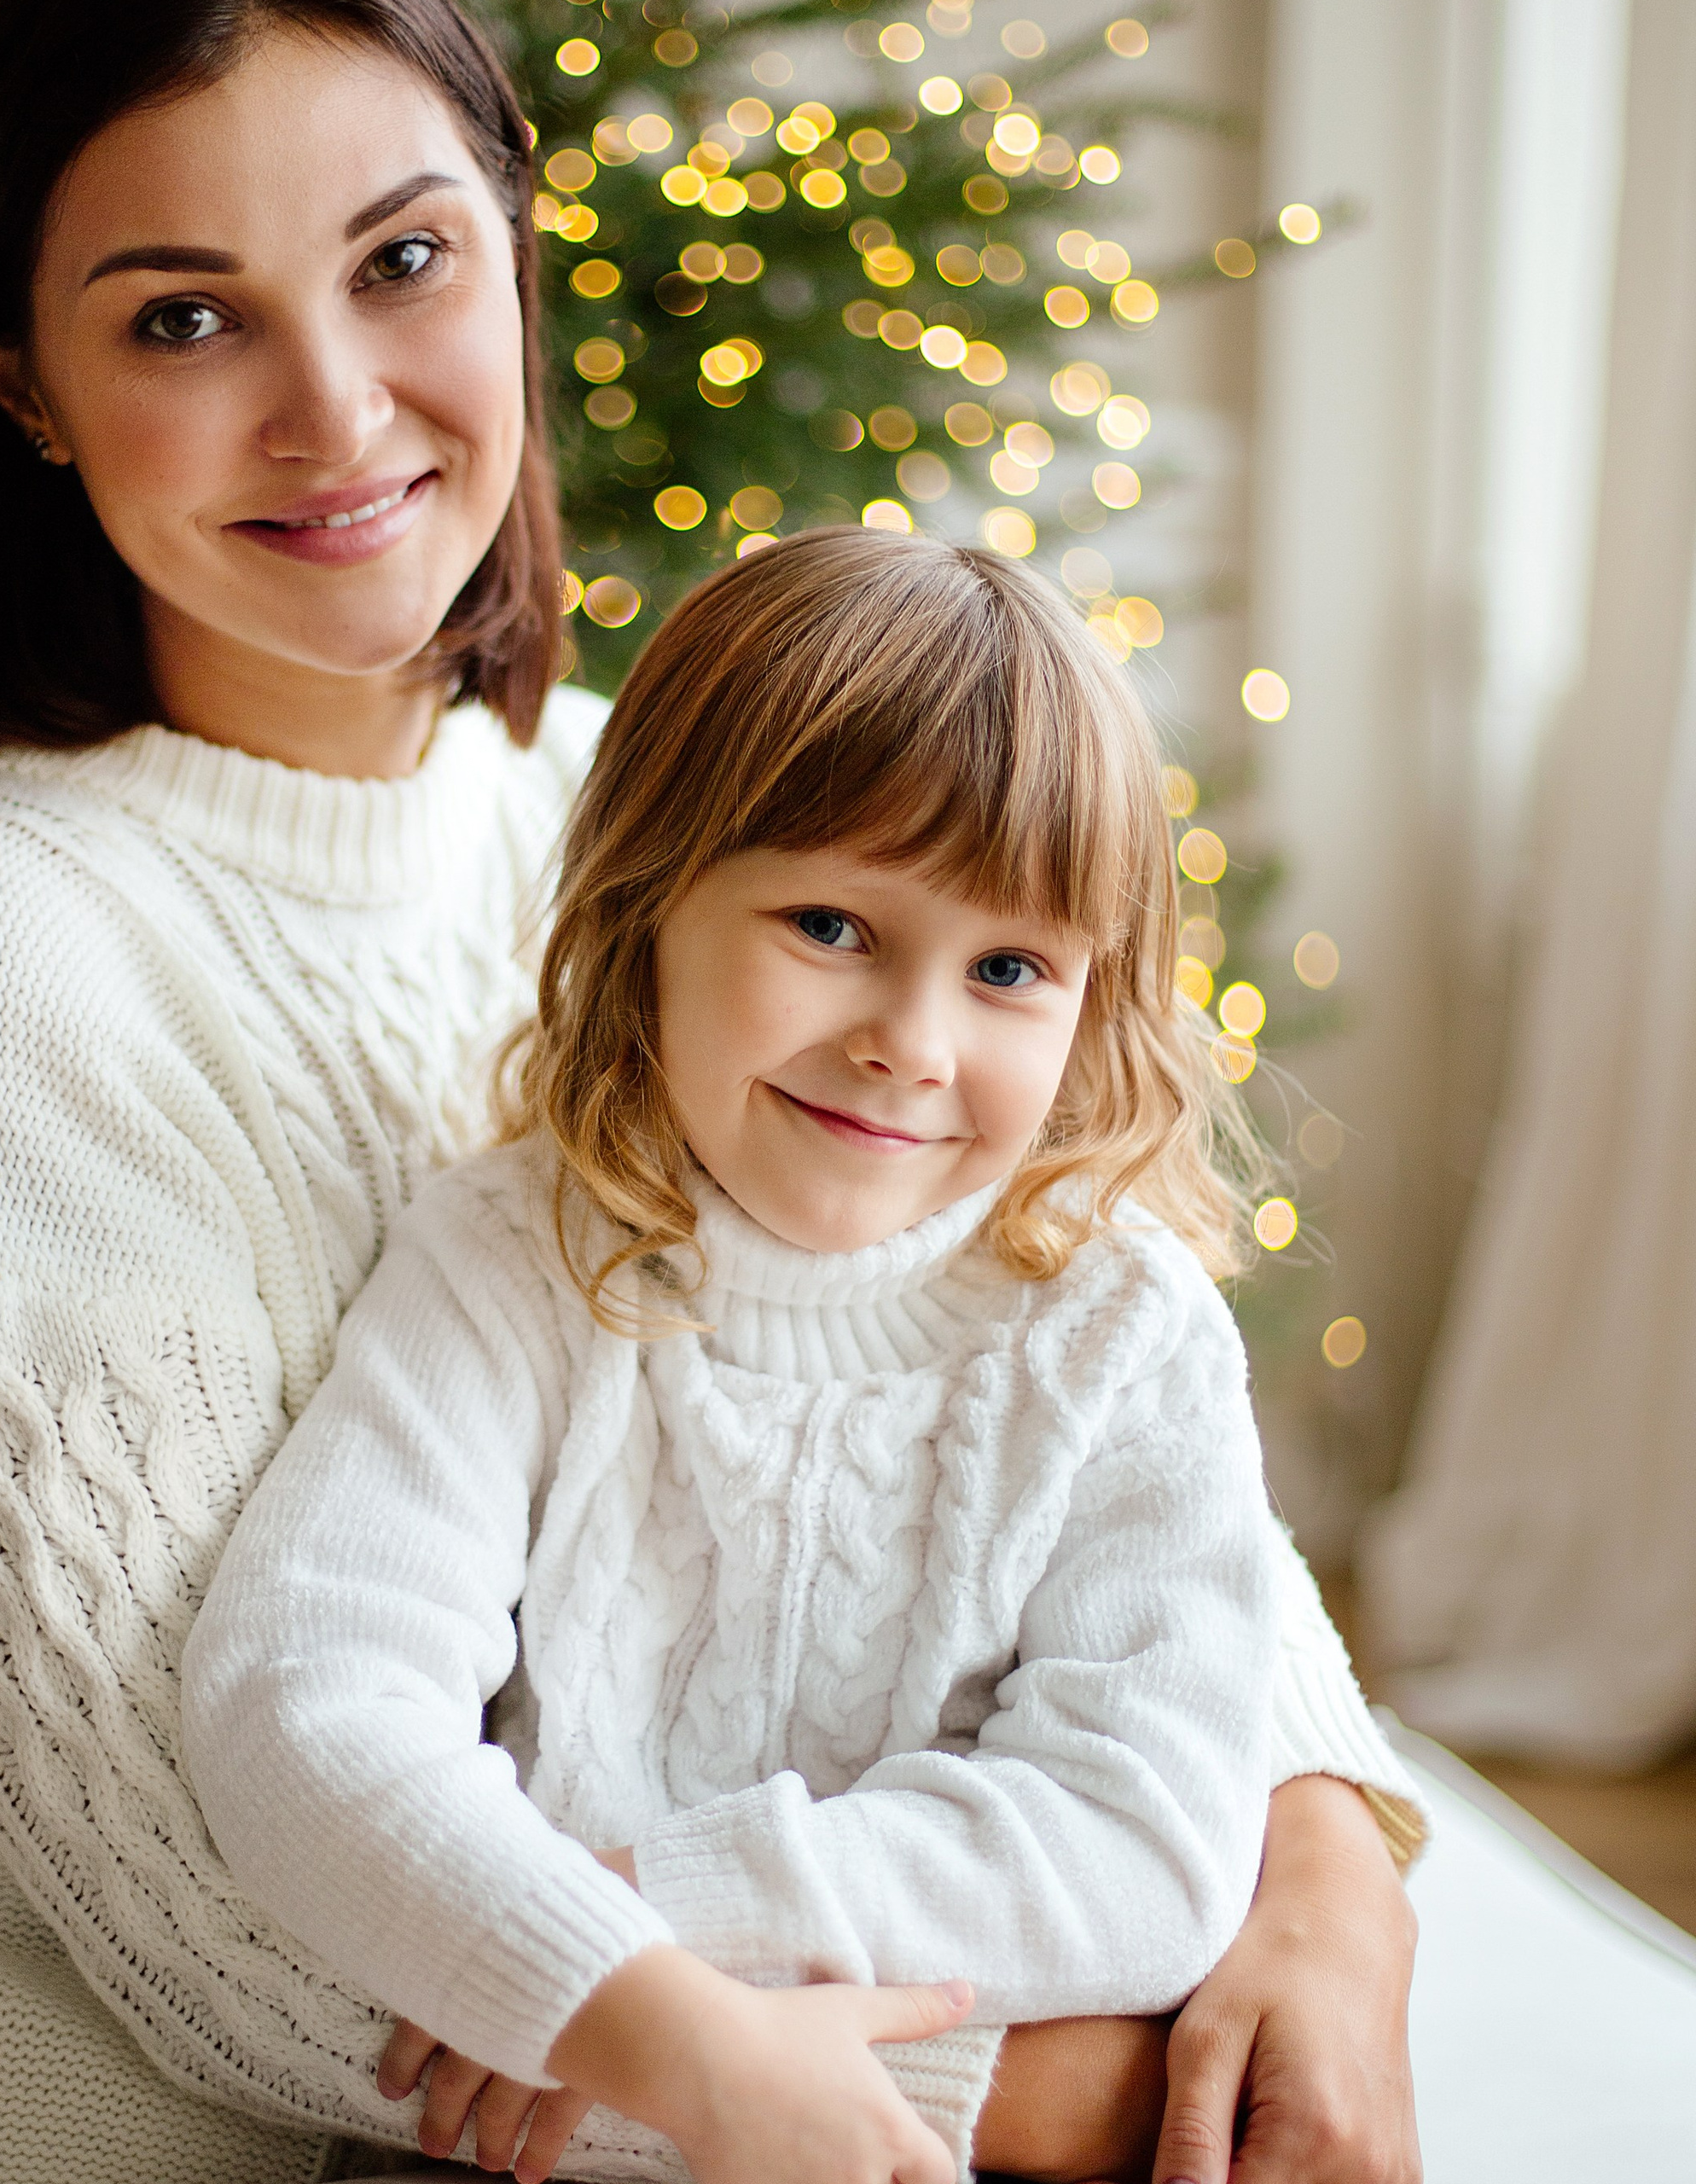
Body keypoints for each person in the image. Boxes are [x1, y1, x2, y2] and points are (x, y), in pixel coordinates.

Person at [0, 1, 1426, 2179]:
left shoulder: (649, 816)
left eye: (402, 261)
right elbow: (223, 1907)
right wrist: (1089, 2084)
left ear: (512, 255)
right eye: (182, 317)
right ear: (21, 378)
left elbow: (1052, 1366)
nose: (333, 409)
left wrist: (1316, 1878)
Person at [184, 528, 1290, 2184]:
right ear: (646, 902)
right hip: (523, 2129)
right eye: (831, 924)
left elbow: (1142, 1838)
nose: (908, 1041)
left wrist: (663, 1912)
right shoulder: (509, 1263)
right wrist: (603, 1987)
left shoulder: (1119, 1331)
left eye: (1006, 968)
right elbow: (306, 1701)